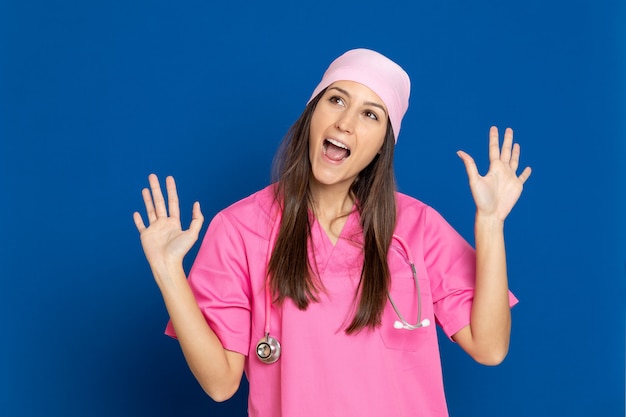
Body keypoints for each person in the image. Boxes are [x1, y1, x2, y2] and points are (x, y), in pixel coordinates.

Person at [133, 48, 531, 417]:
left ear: (382, 146)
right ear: (312, 112)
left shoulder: (417, 227)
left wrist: (491, 224)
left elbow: (490, 347)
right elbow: (220, 384)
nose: (345, 122)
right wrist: (169, 272)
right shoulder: (239, 229)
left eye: (370, 114)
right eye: (336, 99)